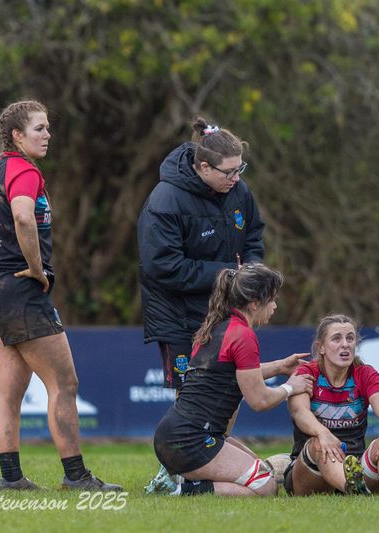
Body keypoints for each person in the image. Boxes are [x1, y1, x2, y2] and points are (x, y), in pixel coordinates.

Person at [0, 100, 121, 491]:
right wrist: (33, 266)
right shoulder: (24, 171)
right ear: (17, 136)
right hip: (20, 290)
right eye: (39, 128)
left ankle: (12, 479)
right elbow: (21, 216)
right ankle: (76, 477)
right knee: (64, 385)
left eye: (48, 127)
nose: (47, 134)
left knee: (8, 390)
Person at [137, 117, 265, 490]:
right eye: (229, 171)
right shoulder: (166, 198)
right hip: (179, 316)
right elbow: (161, 266)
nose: (236, 178)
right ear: (203, 167)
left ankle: (206, 465)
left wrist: (252, 270)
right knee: (192, 399)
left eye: (241, 168)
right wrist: (228, 273)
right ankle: (178, 471)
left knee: (229, 393)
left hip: (226, 312)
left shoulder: (239, 191)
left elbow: (254, 236)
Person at [151, 264, 314, 496]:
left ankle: (181, 480)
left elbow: (236, 374)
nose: (275, 306)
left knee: (259, 468)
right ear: (255, 303)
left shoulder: (218, 326)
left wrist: (280, 366)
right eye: (272, 299)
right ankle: (181, 489)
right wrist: (291, 387)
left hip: (174, 435)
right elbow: (259, 400)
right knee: (265, 486)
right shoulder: (243, 335)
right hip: (191, 440)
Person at [283, 315, 379, 496]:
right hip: (310, 471)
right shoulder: (306, 372)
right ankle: (354, 489)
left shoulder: (365, 373)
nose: (345, 344)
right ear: (321, 347)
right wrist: (323, 433)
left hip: (355, 467)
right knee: (319, 444)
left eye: (350, 338)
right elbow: (299, 411)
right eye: (337, 339)